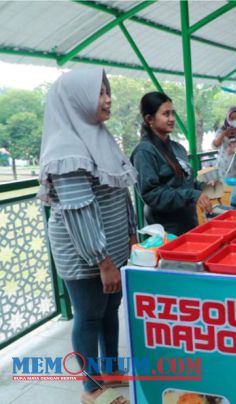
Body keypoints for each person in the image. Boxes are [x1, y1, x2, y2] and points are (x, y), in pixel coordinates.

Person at [38, 68, 136, 404]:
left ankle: (110, 372)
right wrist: (103, 261)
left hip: (112, 249)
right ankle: (92, 386)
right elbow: (79, 211)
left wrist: (129, 237)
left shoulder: (98, 135)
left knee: (110, 310)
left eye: (108, 91)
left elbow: (119, 193)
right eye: (99, 93)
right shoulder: (66, 147)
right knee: (90, 314)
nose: (107, 99)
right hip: (87, 254)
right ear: (75, 100)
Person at [131, 92, 212, 235]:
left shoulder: (177, 148)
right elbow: (152, 195)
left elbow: (185, 183)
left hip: (188, 224)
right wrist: (191, 195)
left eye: (172, 113)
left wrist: (202, 188)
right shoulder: (144, 152)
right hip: (167, 232)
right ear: (149, 119)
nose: (172, 119)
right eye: (166, 114)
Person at [213, 107, 236, 179]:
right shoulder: (221, 130)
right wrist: (224, 134)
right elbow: (215, 145)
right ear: (227, 118)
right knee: (225, 188)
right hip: (224, 167)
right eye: (232, 118)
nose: (234, 121)